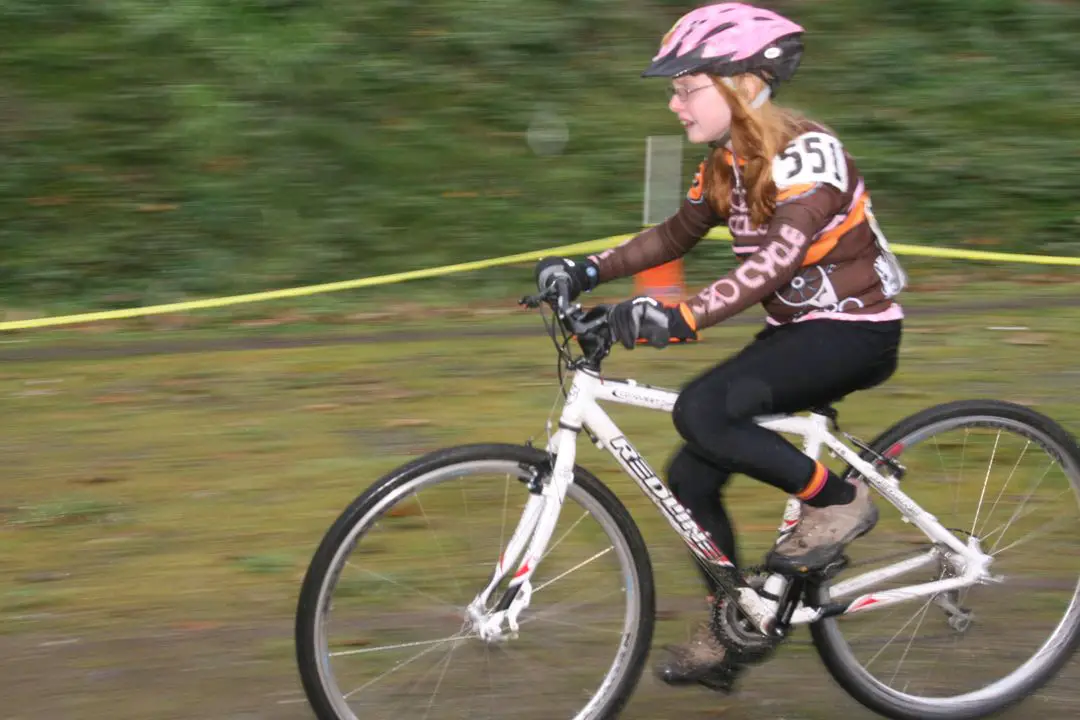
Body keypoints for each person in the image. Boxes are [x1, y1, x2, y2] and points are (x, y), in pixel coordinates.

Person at [533, 2, 907, 694]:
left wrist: (683, 316)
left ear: (741, 82)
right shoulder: (725, 166)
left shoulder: (807, 154)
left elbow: (778, 260)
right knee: (692, 477)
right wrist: (586, 270)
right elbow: (672, 236)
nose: (674, 103)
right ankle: (736, 622)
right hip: (797, 332)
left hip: (855, 330)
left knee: (704, 411)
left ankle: (839, 502)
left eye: (686, 86)